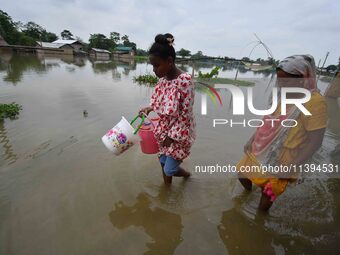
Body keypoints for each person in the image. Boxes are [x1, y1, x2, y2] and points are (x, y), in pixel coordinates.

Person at [237, 55, 327, 211]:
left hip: (285, 156)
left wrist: (291, 167)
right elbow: (268, 119)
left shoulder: (315, 102)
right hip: (263, 147)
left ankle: (259, 222)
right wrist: (251, 139)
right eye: (279, 79)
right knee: (241, 174)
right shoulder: (281, 95)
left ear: (302, 79)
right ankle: (247, 194)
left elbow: (315, 142)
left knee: (267, 194)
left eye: (286, 80)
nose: (280, 84)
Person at [139, 33, 196, 185]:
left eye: (156, 65)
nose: (154, 70)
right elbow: (161, 102)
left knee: (169, 169)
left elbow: (185, 114)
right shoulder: (163, 81)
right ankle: (167, 190)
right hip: (164, 130)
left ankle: (187, 176)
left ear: (169, 61)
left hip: (179, 133)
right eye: (152, 66)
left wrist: (171, 137)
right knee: (163, 161)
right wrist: (149, 108)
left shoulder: (185, 81)